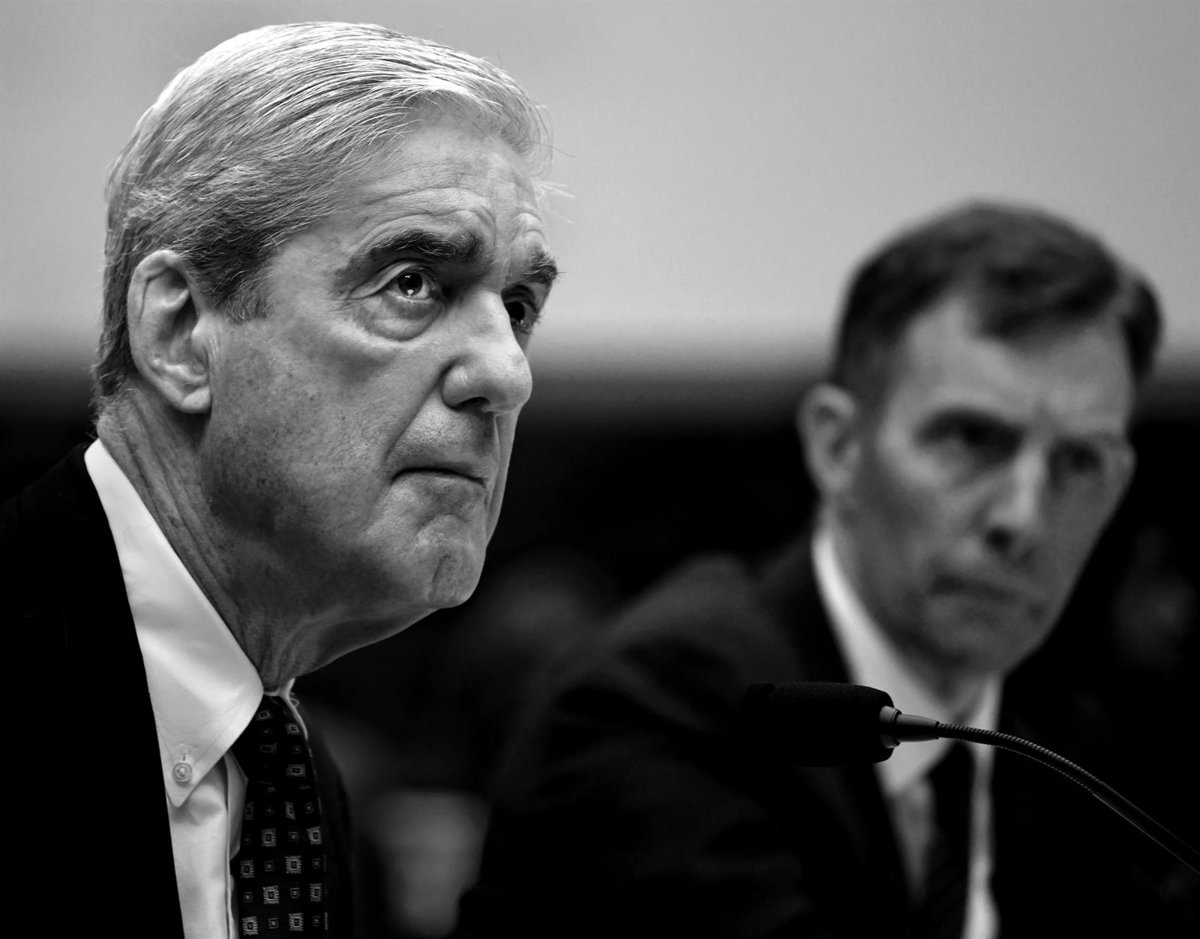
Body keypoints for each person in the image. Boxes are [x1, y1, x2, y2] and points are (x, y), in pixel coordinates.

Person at [455, 202, 1195, 937]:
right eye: (972, 439)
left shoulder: (1074, 758)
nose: (1024, 520)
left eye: (1079, 463)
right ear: (838, 447)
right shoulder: (654, 706)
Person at [3, 21, 557, 939]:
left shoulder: (292, 780)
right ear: (181, 333)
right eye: (412, 282)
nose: (507, 374)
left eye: (519, 305)